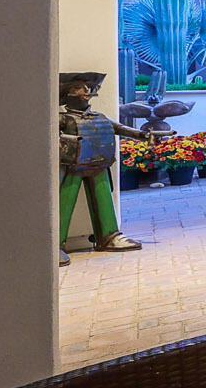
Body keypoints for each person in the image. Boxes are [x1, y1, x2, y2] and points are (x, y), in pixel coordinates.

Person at [58, 71, 147, 265]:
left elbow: (119, 128)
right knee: (64, 202)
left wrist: (142, 135)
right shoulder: (63, 119)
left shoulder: (99, 117)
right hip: (73, 166)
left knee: (103, 198)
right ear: (67, 95)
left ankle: (109, 235)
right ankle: (55, 243)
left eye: (86, 87)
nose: (85, 91)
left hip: (99, 164)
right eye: (77, 88)